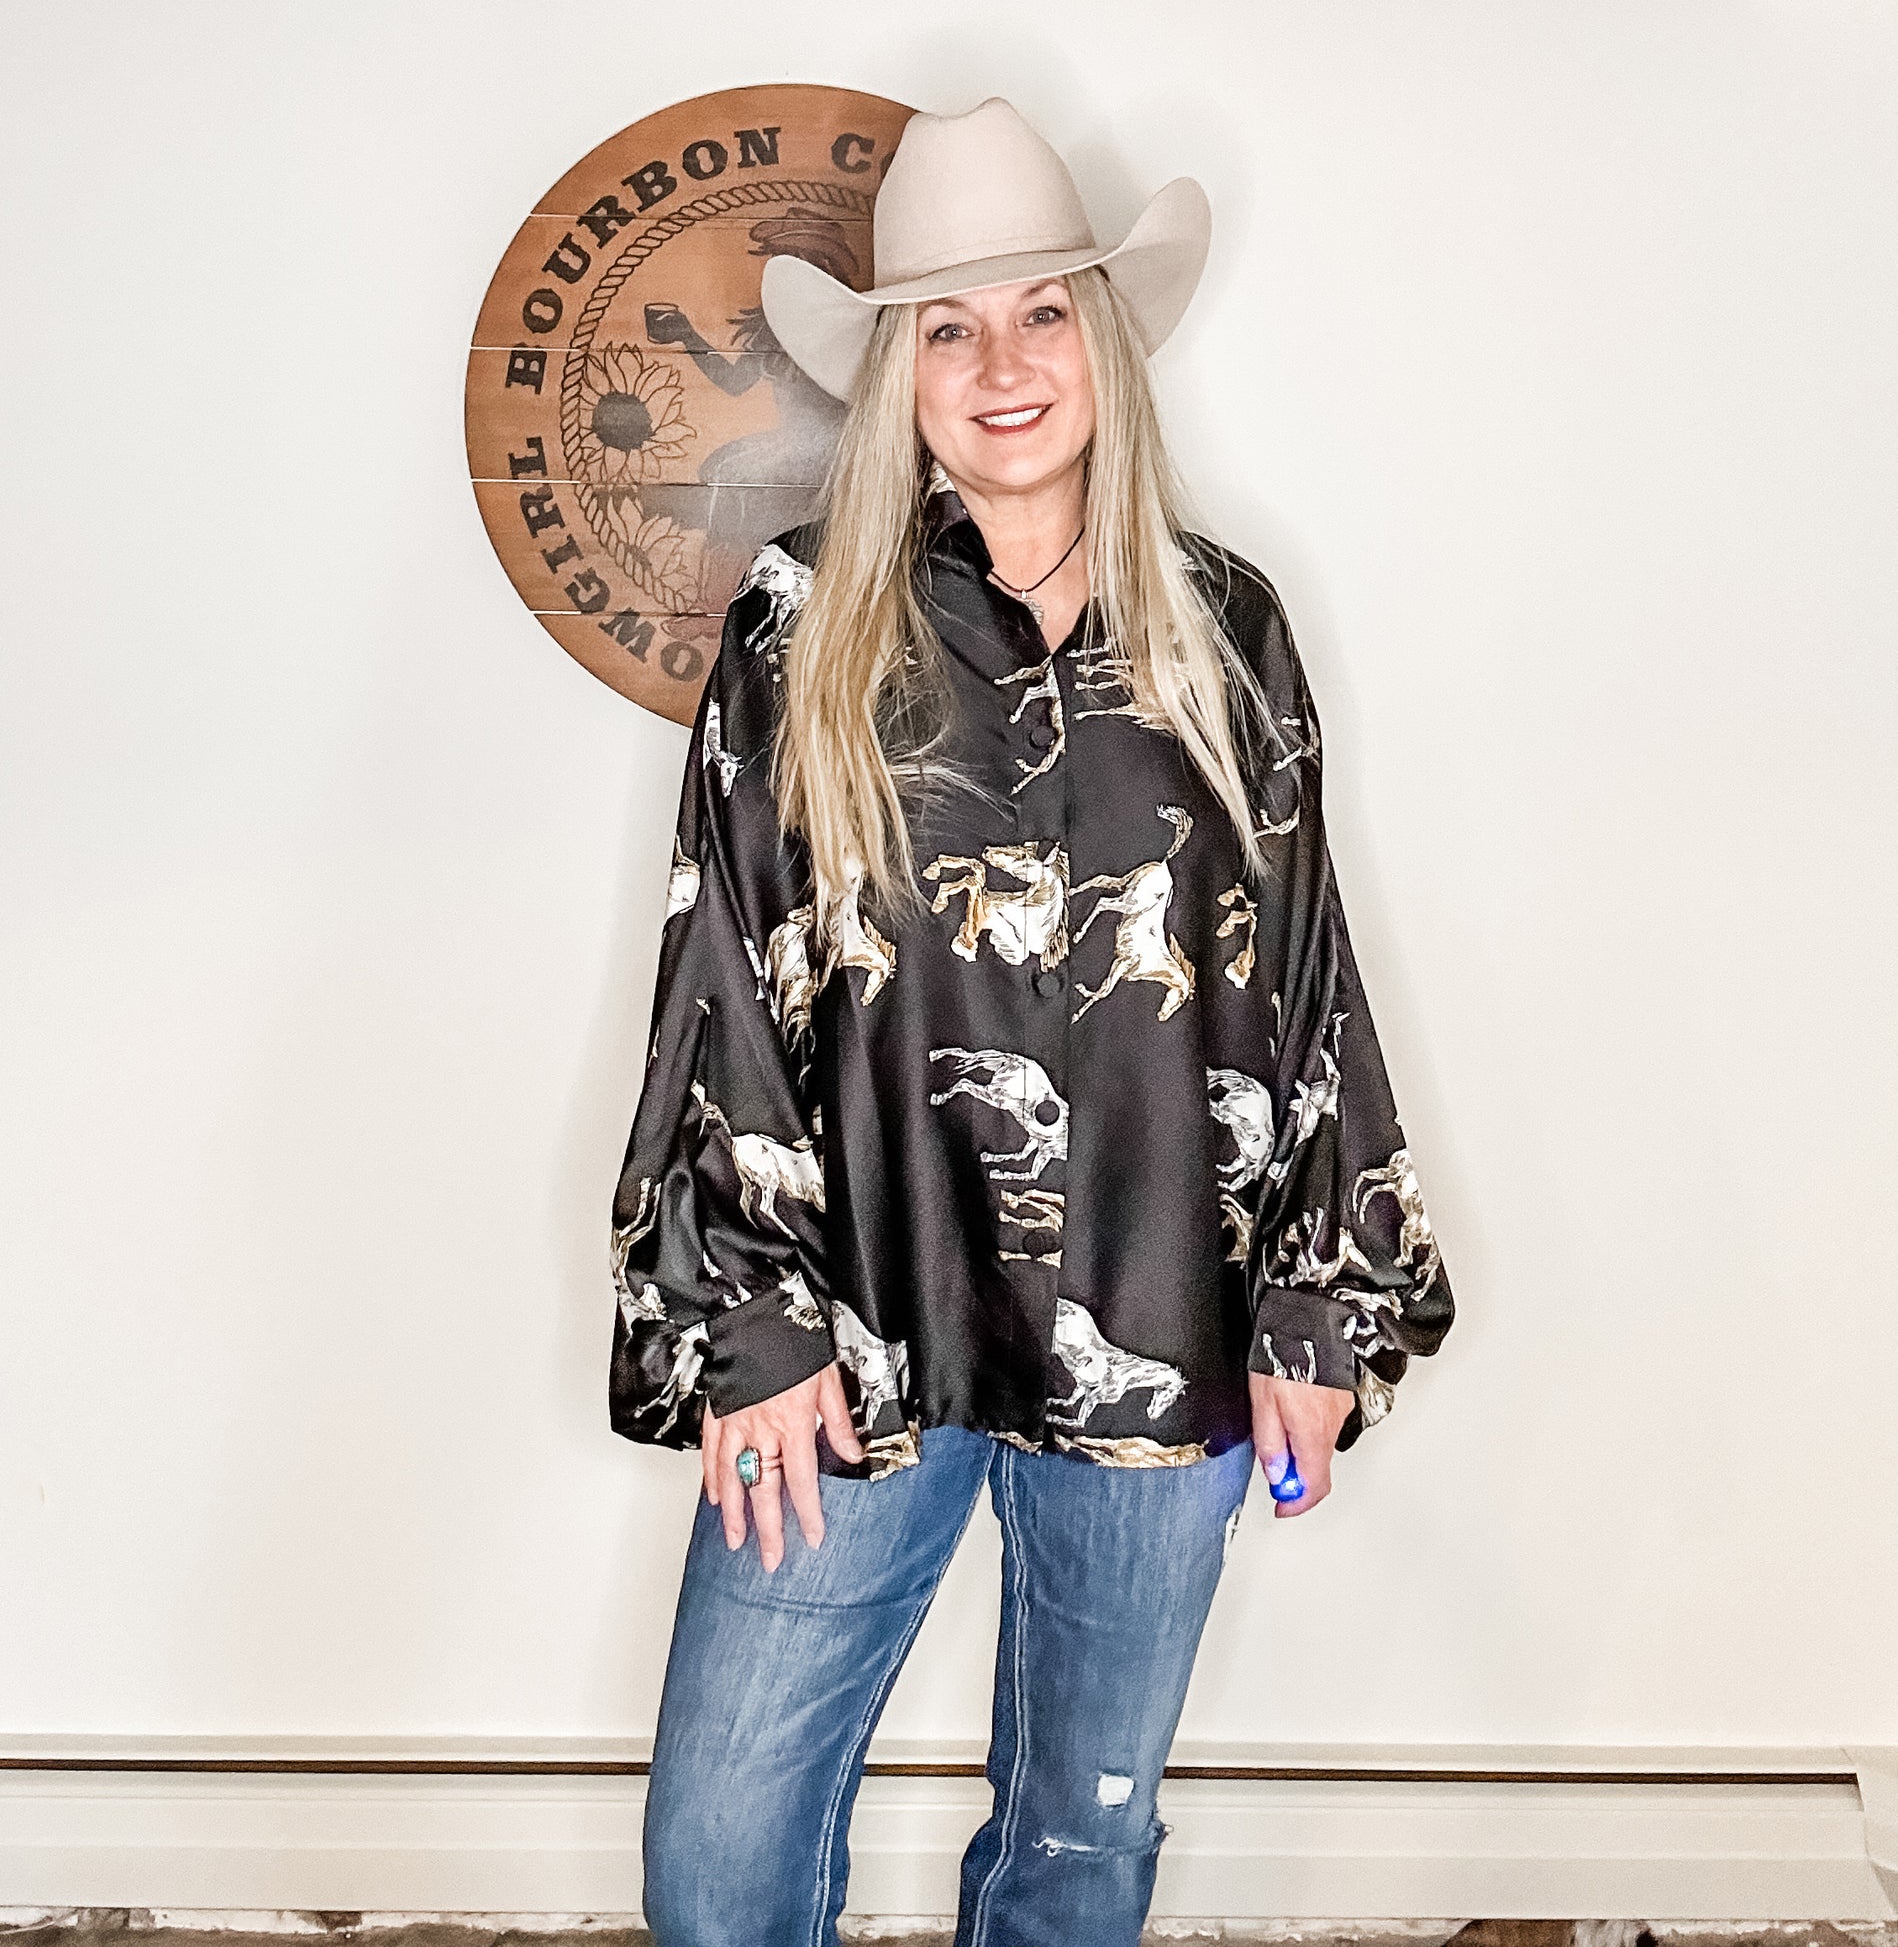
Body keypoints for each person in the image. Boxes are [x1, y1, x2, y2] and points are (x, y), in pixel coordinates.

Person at [607, 97, 1455, 1947]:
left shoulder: (1225, 628)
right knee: (720, 1854)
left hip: (1163, 1326)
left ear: (1102, 337)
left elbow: (1299, 979)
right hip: (860, 1326)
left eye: (1040, 312)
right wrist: (744, 1321)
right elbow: (720, 967)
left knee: (1079, 1849)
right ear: (900, 375)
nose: (1000, 366)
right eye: (949, 327)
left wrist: (1318, 1300)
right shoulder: (797, 628)